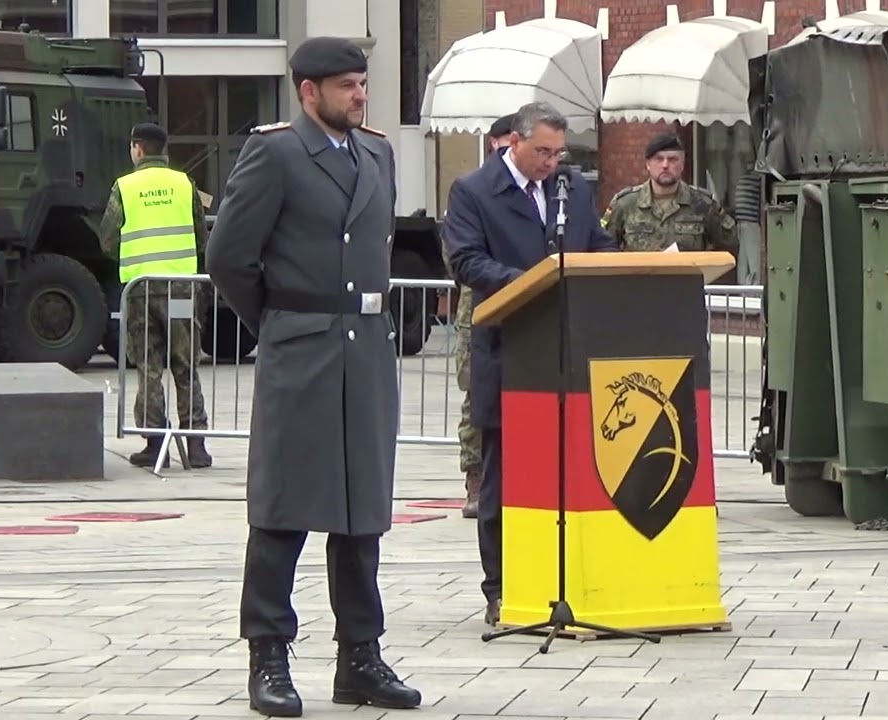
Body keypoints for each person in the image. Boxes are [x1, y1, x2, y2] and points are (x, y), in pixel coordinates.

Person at [204, 36, 421, 716]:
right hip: (301, 346)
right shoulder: (275, 153)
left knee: (362, 514)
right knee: (284, 510)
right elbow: (230, 256)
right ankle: (268, 652)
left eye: (363, 83)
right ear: (309, 92)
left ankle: (360, 656)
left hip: (365, 351)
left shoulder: (377, 152)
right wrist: (281, 320)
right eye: (347, 85)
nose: (361, 95)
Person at [443, 101, 618, 627]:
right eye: (542, 151)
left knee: (570, 473)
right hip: (508, 348)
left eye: (558, 152)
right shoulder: (473, 191)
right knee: (503, 477)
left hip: (571, 351)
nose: (551, 162)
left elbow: (598, 244)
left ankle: (571, 579)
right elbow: (466, 260)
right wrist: (532, 280)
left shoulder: (572, 189)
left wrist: (620, 264)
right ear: (513, 143)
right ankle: (500, 587)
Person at [98, 122, 211, 469]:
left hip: (141, 291)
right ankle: (195, 446)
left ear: (137, 148)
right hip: (181, 290)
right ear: (164, 150)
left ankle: (154, 443)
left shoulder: (125, 187)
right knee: (186, 364)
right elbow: (200, 236)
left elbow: (106, 241)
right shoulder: (184, 184)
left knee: (149, 365)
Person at [441, 113, 515, 519]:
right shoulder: (472, 193)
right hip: (479, 311)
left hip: (522, 310)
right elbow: (455, 255)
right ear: (493, 145)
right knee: (476, 397)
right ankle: (475, 478)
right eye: (502, 144)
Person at [600, 132, 739, 257]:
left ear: (682, 164)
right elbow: (604, 247)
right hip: (639, 283)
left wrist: (703, 268)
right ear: (648, 164)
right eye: (659, 159)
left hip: (686, 283)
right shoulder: (625, 204)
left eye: (673, 159)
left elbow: (728, 246)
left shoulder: (702, 204)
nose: (665, 165)